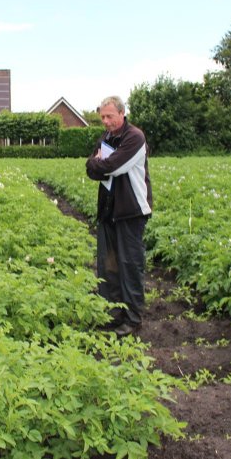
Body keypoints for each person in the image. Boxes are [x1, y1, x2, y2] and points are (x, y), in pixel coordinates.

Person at [85, 95, 153, 338]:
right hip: (108, 212)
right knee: (109, 266)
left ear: (122, 114)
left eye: (109, 116)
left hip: (130, 212)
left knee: (129, 265)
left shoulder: (134, 137)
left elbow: (111, 167)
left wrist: (100, 163)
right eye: (102, 117)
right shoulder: (106, 137)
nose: (105, 121)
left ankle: (133, 319)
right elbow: (91, 168)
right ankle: (114, 315)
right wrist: (97, 164)